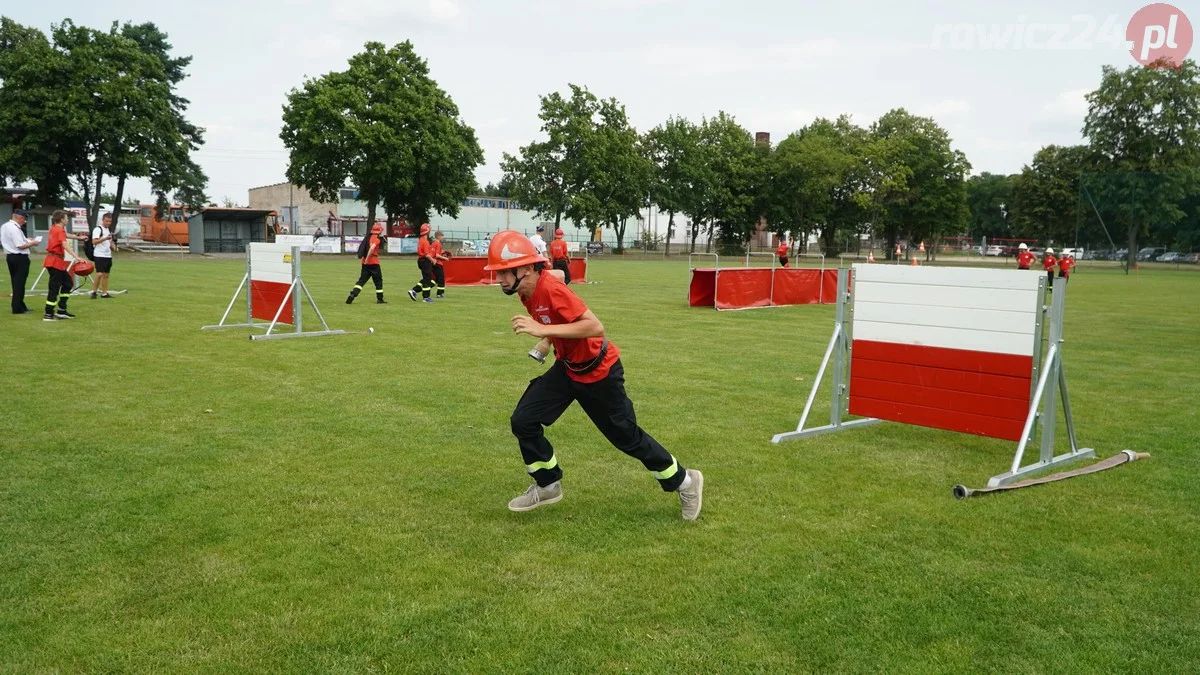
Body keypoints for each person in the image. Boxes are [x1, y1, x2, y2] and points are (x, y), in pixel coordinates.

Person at [484, 230, 704, 520]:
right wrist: (547, 342)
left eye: (503, 272)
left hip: (599, 372)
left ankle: (686, 482)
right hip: (569, 369)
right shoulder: (527, 291)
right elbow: (557, 317)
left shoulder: (550, 288)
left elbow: (594, 326)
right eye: (497, 273)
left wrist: (543, 331)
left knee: (627, 437)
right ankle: (548, 484)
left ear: (525, 268)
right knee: (523, 419)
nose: (498, 279)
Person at [42, 210, 87, 321]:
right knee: (54, 288)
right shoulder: (59, 229)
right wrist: (76, 256)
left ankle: (62, 310)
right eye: (66, 218)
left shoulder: (54, 228)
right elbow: (64, 244)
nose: (67, 219)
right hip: (55, 261)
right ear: (62, 219)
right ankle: (48, 314)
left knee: (67, 283)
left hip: (54, 261)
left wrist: (78, 238)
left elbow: (65, 235)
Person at [2, 209, 40, 314]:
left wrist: (28, 240)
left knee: (16, 282)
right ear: (19, 217)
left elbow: (14, 241)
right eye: (24, 219)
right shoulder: (14, 228)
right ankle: (17, 308)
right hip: (19, 257)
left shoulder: (5, 226)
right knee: (20, 283)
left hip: (10, 256)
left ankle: (20, 305)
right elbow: (20, 245)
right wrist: (33, 243)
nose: (25, 221)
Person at [346, 223, 386, 304]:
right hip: (373, 262)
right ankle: (380, 299)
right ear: (379, 231)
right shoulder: (377, 239)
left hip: (364, 263)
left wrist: (365, 260)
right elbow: (371, 249)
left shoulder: (368, 237)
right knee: (378, 281)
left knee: (361, 281)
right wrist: (367, 259)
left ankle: (353, 294)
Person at [90, 212, 116, 299]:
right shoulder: (98, 229)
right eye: (107, 221)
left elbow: (110, 241)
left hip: (108, 255)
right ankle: (94, 292)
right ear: (103, 220)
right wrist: (105, 238)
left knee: (106, 275)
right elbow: (94, 241)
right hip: (99, 255)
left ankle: (104, 293)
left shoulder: (108, 230)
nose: (108, 223)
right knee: (99, 274)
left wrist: (114, 247)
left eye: (110, 221)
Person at [408, 224, 437, 303]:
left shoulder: (421, 240)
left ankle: (414, 290)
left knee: (426, 278)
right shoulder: (425, 241)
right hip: (425, 261)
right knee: (428, 279)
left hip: (421, 260)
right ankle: (426, 297)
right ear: (427, 231)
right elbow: (427, 254)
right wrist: (433, 260)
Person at [431, 230, 450, 299]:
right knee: (441, 279)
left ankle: (427, 287)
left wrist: (443, 252)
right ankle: (440, 294)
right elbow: (437, 255)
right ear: (438, 236)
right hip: (438, 263)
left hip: (433, 262)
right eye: (442, 235)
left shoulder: (433, 243)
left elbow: (435, 253)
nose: (443, 237)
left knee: (435, 279)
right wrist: (445, 258)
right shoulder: (438, 244)